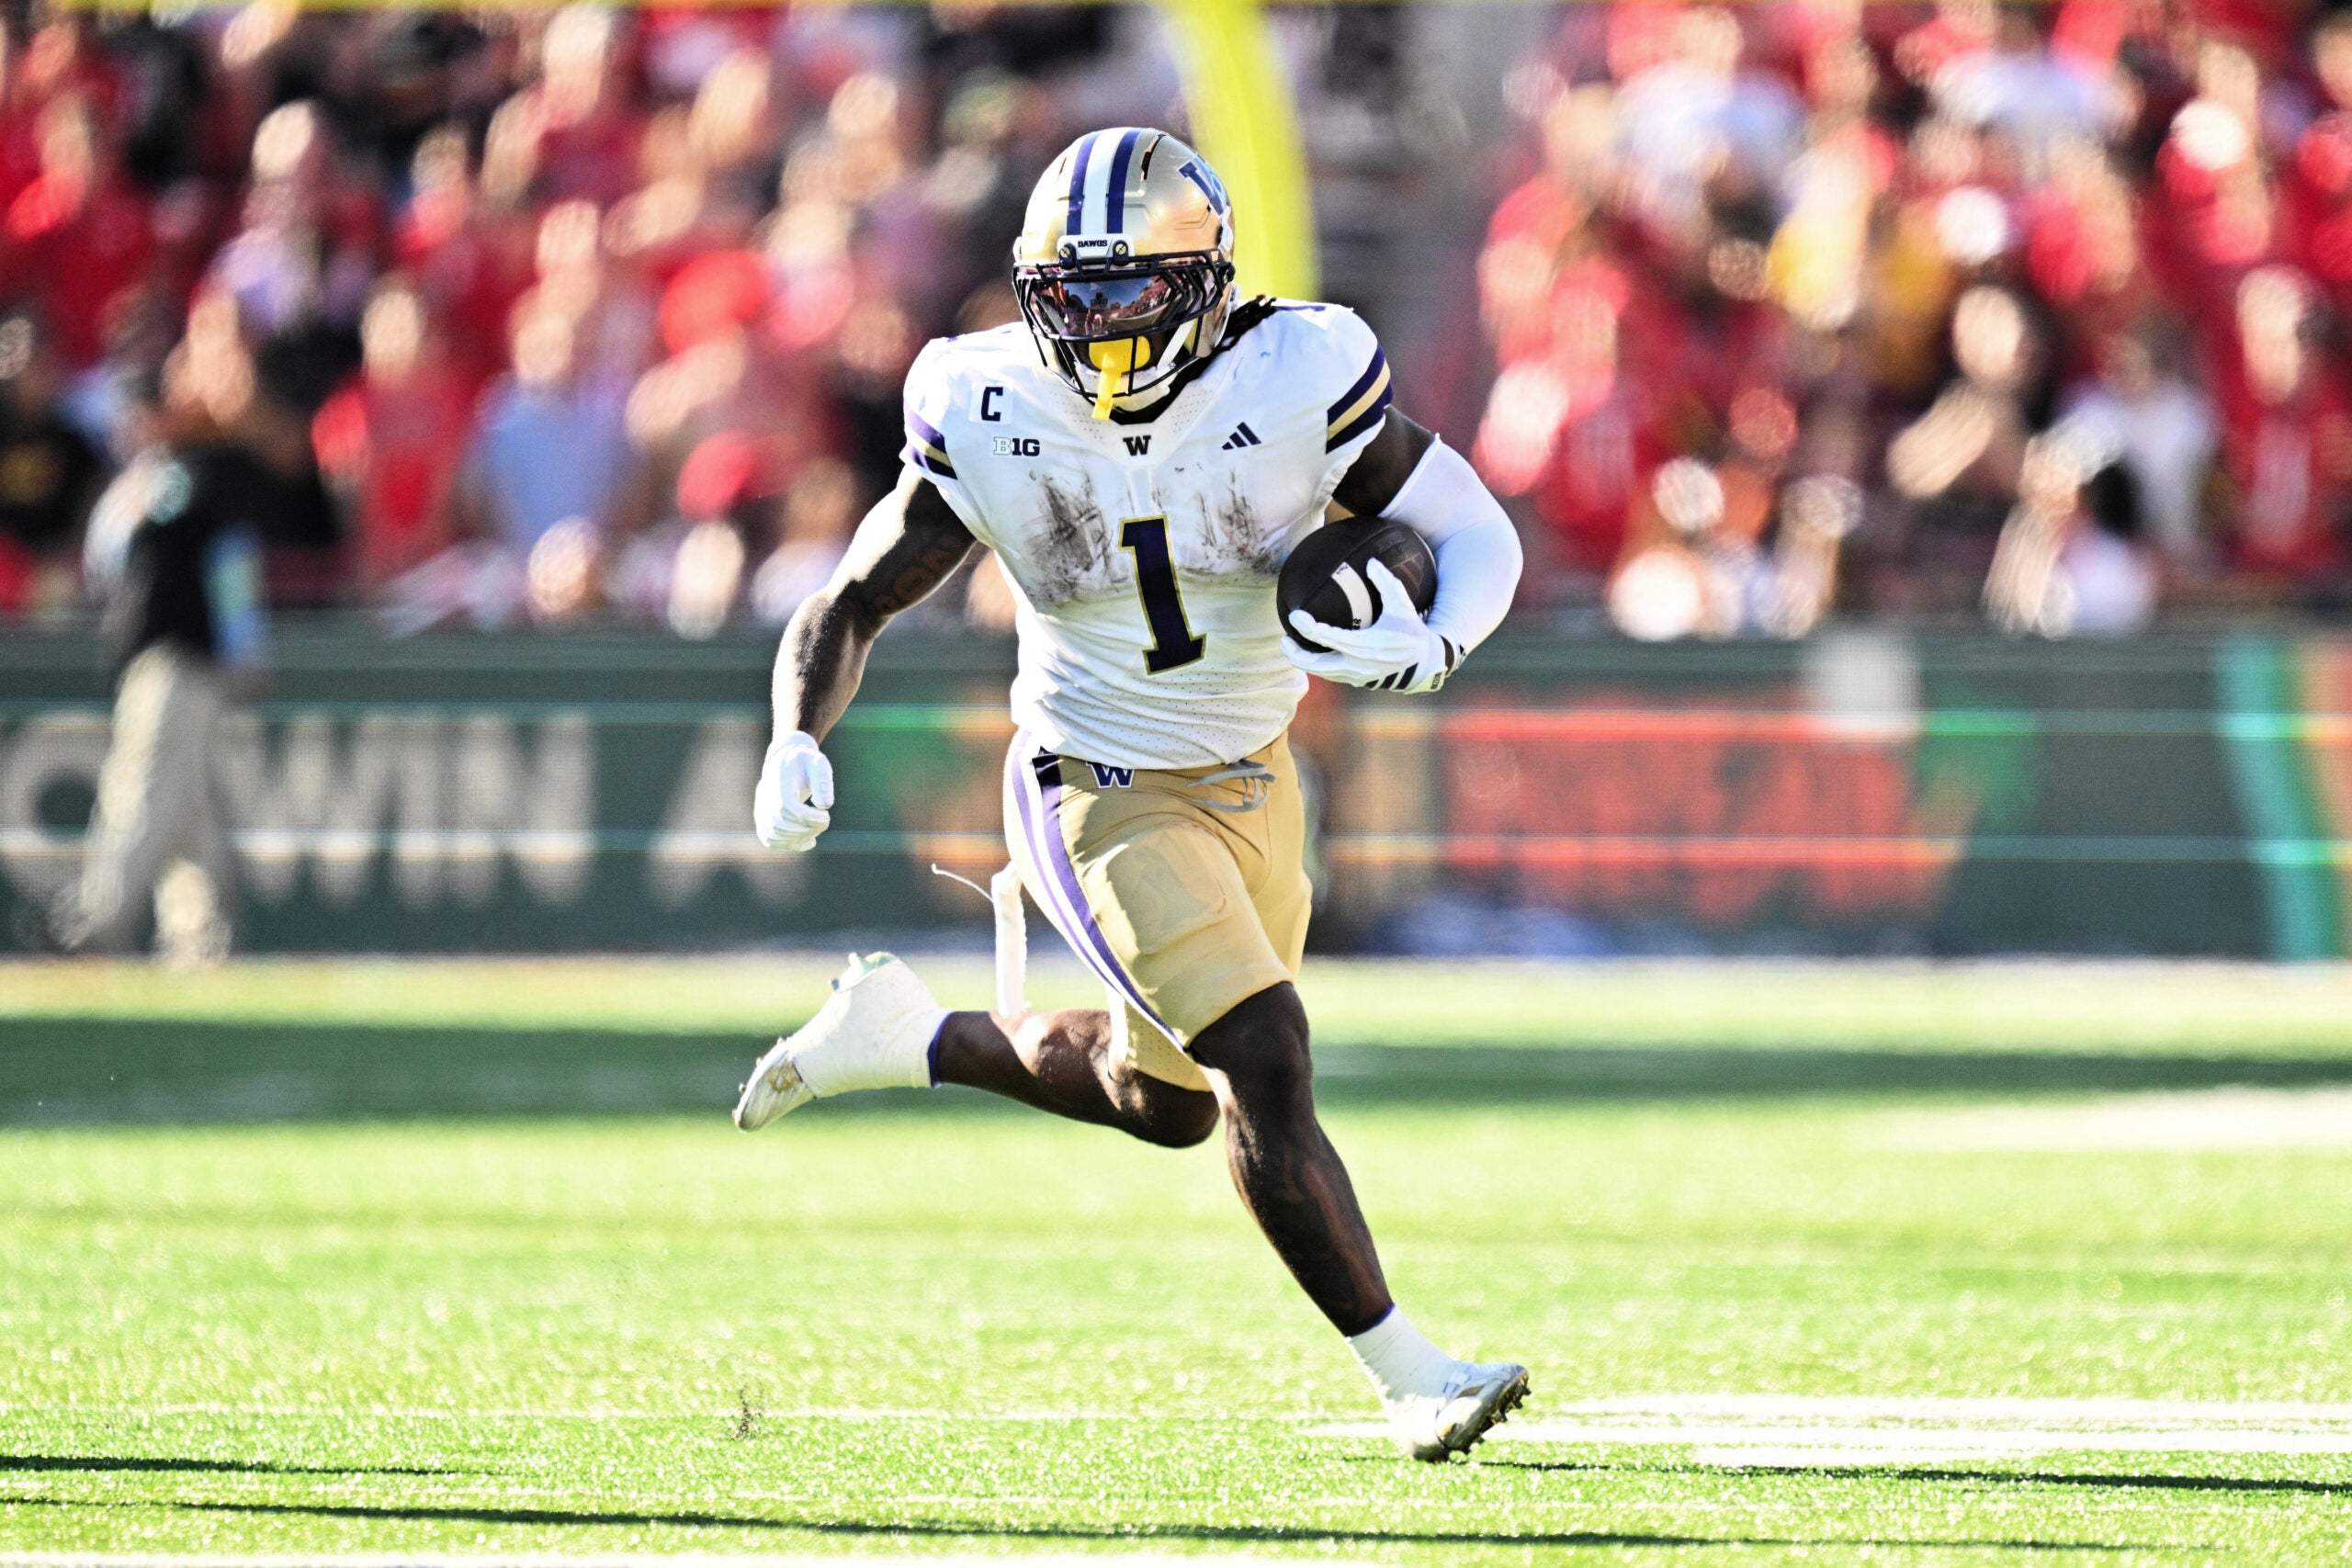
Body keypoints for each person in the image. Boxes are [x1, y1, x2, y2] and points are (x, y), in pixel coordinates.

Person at [732, 130, 1528, 1461]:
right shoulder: (984, 400)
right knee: (1264, 1054)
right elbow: (854, 596)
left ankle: (906, 1035)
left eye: (1126, 289)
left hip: (1258, 773)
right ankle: (1411, 1373)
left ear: (1204, 279)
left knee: (1162, 1101)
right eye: (1072, 291)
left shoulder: (1299, 368)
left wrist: (1436, 633)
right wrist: (793, 734)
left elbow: (1475, 528)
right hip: (1090, 777)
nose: (1096, 322)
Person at [41, 316, 300, 958]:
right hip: (154, 658)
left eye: (144, 409)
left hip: (181, 658)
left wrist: (245, 649)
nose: (134, 423)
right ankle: (202, 930)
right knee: (189, 800)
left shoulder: (198, 478)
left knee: (145, 788)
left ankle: (100, 918)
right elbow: (103, 565)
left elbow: (233, 570)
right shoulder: (139, 484)